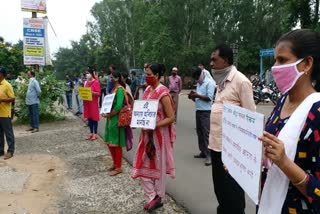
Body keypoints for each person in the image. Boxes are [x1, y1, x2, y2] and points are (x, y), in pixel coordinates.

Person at [258, 29, 320, 214]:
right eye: (275, 60)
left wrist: (285, 162)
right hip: (267, 203)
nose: (275, 67)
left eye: (283, 60)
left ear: (307, 63)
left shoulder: (317, 112)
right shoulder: (283, 101)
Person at [209, 44, 255, 214]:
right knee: (220, 190)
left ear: (226, 60)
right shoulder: (220, 83)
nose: (211, 64)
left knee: (233, 193)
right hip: (216, 146)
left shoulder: (241, 82)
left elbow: (252, 119)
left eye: (215, 59)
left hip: (233, 151)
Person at [131, 63, 176, 212]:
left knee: (158, 167)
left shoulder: (163, 92)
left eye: (149, 74)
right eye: (145, 74)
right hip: (146, 136)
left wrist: (155, 125)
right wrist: (137, 119)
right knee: (143, 166)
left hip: (158, 137)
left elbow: (171, 117)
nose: (146, 77)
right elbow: (142, 110)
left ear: (156, 75)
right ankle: (151, 196)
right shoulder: (148, 90)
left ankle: (157, 197)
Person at [188, 67, 215, 166]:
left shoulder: (209, 83)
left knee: (206, 133)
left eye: (197, 77)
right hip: (198, 110)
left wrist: (197, 96)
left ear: (201, 74)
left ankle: (209, 156)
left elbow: (209, 98)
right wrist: (192, 97)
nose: (196, 79)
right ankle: (203, 152)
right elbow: (198, 98)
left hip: (206, 112)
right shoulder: (199, 84)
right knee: (199, 132)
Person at [102, 71, 128, 176]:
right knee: (109, 143)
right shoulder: (113, 89)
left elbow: (118, 106)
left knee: (116, 144)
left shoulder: (120, 90)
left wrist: (109, 114)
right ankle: (114, 164)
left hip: (116, 119)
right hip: (110, 120)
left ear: (116, 78)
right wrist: (105, 112)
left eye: (111, 77)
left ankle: (118, 167)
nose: (109, 79)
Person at [0, 67, 15, 160]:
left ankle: (10, 151)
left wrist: (2, 100)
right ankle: (1, 150)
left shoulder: (7, 85)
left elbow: (12, 98)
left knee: (8, 133)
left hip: (5, 114)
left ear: (2, 74)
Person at [83, 68, 100, 140]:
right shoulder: (86, 82)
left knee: (94, 118)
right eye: (86, 73)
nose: (87, 75)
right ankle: (91, 133)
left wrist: (93, 93)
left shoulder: (96, 82)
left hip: (93, 103)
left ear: (92, 73)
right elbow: (84, 91)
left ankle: (95, 134)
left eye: (88, 73)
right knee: (89, 118)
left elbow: (99, 93)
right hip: (87, 102)